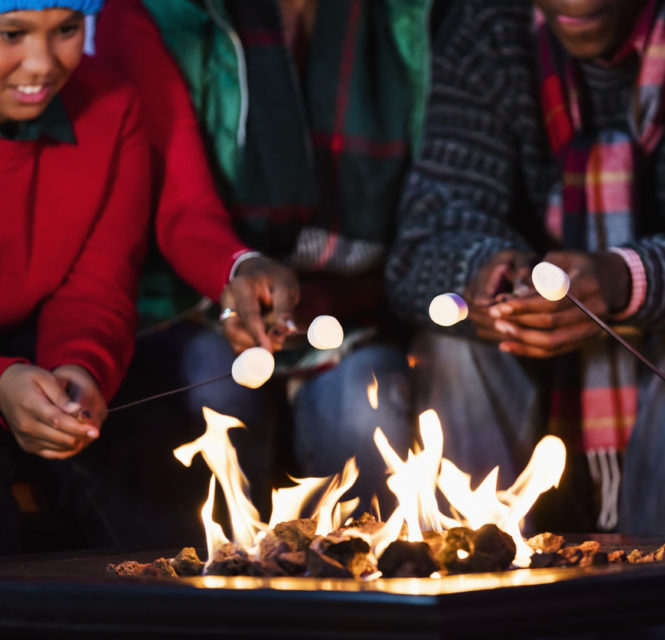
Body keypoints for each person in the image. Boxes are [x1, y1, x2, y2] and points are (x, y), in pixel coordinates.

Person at [386, 0, 665, 535]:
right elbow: (425, 240)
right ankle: (486, 579)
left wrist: (619, 280)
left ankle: (663, 597)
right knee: (453, 349)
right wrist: (493, 277)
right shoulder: (489, 25)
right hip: (537, 368)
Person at [86, 0, 430, 545]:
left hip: (357, 309)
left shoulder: (406, 17)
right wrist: (237, 272)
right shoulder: (157, 16)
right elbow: (181, 207)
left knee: (366, 412)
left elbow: (437, 196)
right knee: (219, 395)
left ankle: (368, 603)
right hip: (190, 303)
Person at [0, 0, 150, 552]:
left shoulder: (111, 108)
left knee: (144, 495)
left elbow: (97, 283)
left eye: (66, 29)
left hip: (36, 349)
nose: (41, 63)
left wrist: (80, 365)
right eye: (11, 33)